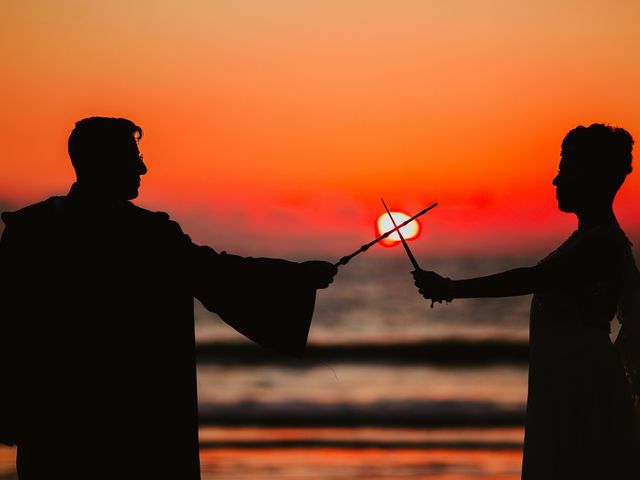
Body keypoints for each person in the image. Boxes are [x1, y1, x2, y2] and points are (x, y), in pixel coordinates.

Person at [0, 116, 337, 479]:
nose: (143, 167)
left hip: (56, 430)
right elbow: (215, 275)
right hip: (136, 430)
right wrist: (297, 277)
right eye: (133, 156)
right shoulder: (148, 236)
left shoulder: (31, 230)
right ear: (104, 163)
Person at [412, 124, 640, 479]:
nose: (555, 180)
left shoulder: (601, 244)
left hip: (581, 386)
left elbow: (531, 279)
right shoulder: (587, 240)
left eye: (565, 168)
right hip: (567, 379)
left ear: (591, 176)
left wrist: (451, 287)